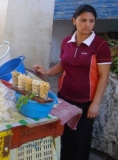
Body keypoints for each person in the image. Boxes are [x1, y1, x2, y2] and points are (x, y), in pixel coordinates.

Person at [33, 4, 111, 160]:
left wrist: (95, 103)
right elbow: (64, 64)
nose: (87, 25)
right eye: (83, 20)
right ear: (74, 20)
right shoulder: (66, 41)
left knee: (81, 142)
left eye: (91, 21)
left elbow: (104, 76)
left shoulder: (100, 45)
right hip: (64, 97)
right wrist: (47, 71)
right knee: (66, 137)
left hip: (85, 102)